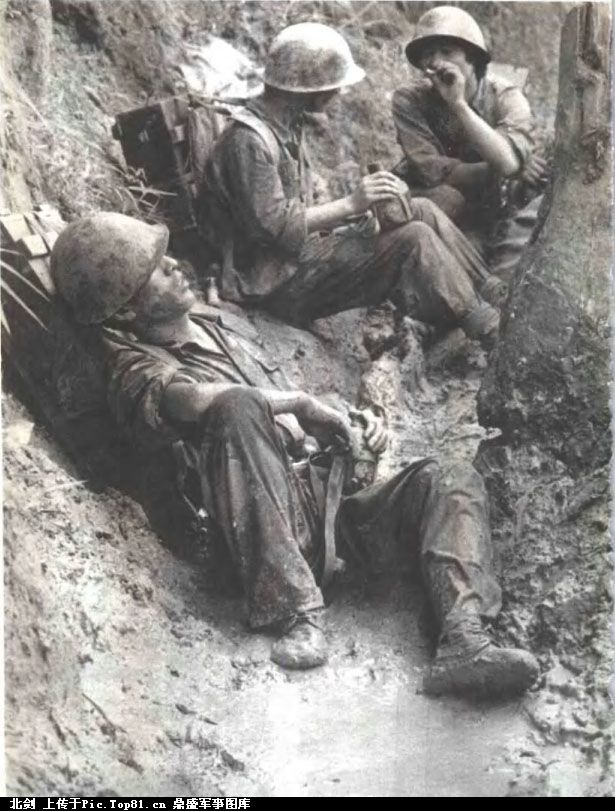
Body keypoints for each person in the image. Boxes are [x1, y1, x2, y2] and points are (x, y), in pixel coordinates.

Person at [50, 212, 539, 697]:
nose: (174, 265)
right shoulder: (132, 367)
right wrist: (301, 404)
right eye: (155, 271)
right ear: (125, 314)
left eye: (166, 256)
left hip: (322, 511)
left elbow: (284, 405)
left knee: (448, 478)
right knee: (236, 405)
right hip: (251, 539)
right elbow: (198, 401)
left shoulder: (218, 326)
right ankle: (294, 612)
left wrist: (350, 423)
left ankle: (464, 640)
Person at [199, 22, 502, 347]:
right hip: (268, 285)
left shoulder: (284, 125)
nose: (339, 92)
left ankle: (493, 292)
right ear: (309, 88)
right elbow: (275, 226)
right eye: (333, 84)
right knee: (413, 238)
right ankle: (490, 331)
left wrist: (362, 211)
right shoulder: (248, 140)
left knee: (422, 209)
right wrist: (350, 205)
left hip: (289, 261)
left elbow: (294, 209)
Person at [392, 6, 548, 282]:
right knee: (443, 203)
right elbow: (433, 173)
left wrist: (459, 106)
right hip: (436, 205)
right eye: (428, 54)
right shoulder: (410, 100)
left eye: (447, 52)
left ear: (473, 58)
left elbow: (509, 162)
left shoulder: (505, 97)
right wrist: (500, 169)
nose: (436, 62)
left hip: (489, 213)